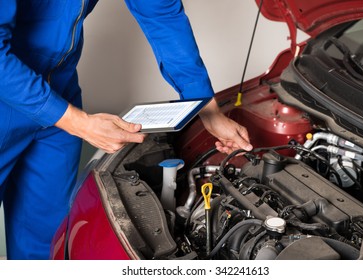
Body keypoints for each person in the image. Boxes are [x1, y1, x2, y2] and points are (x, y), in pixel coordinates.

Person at [0, 0, 252, 259]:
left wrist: (206, 108)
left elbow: (160, 12)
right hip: (10, 98)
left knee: (46, 241)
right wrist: (76, 121)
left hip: (60, 97)